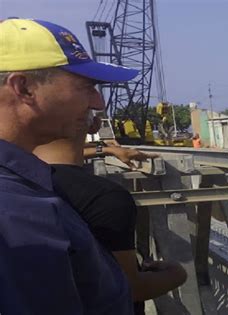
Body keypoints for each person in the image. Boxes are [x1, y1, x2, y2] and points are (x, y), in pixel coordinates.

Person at [0, 18, 139, 314]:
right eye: (86, 87)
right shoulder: (17, 212)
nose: (98, 104)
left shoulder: (24, 187)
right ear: (23, 88)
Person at [33, 115, 187, 315]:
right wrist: (177, 275)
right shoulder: (105, 198)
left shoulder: (14, 178)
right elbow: (130, 288)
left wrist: (106, 149)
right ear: (89, 125)